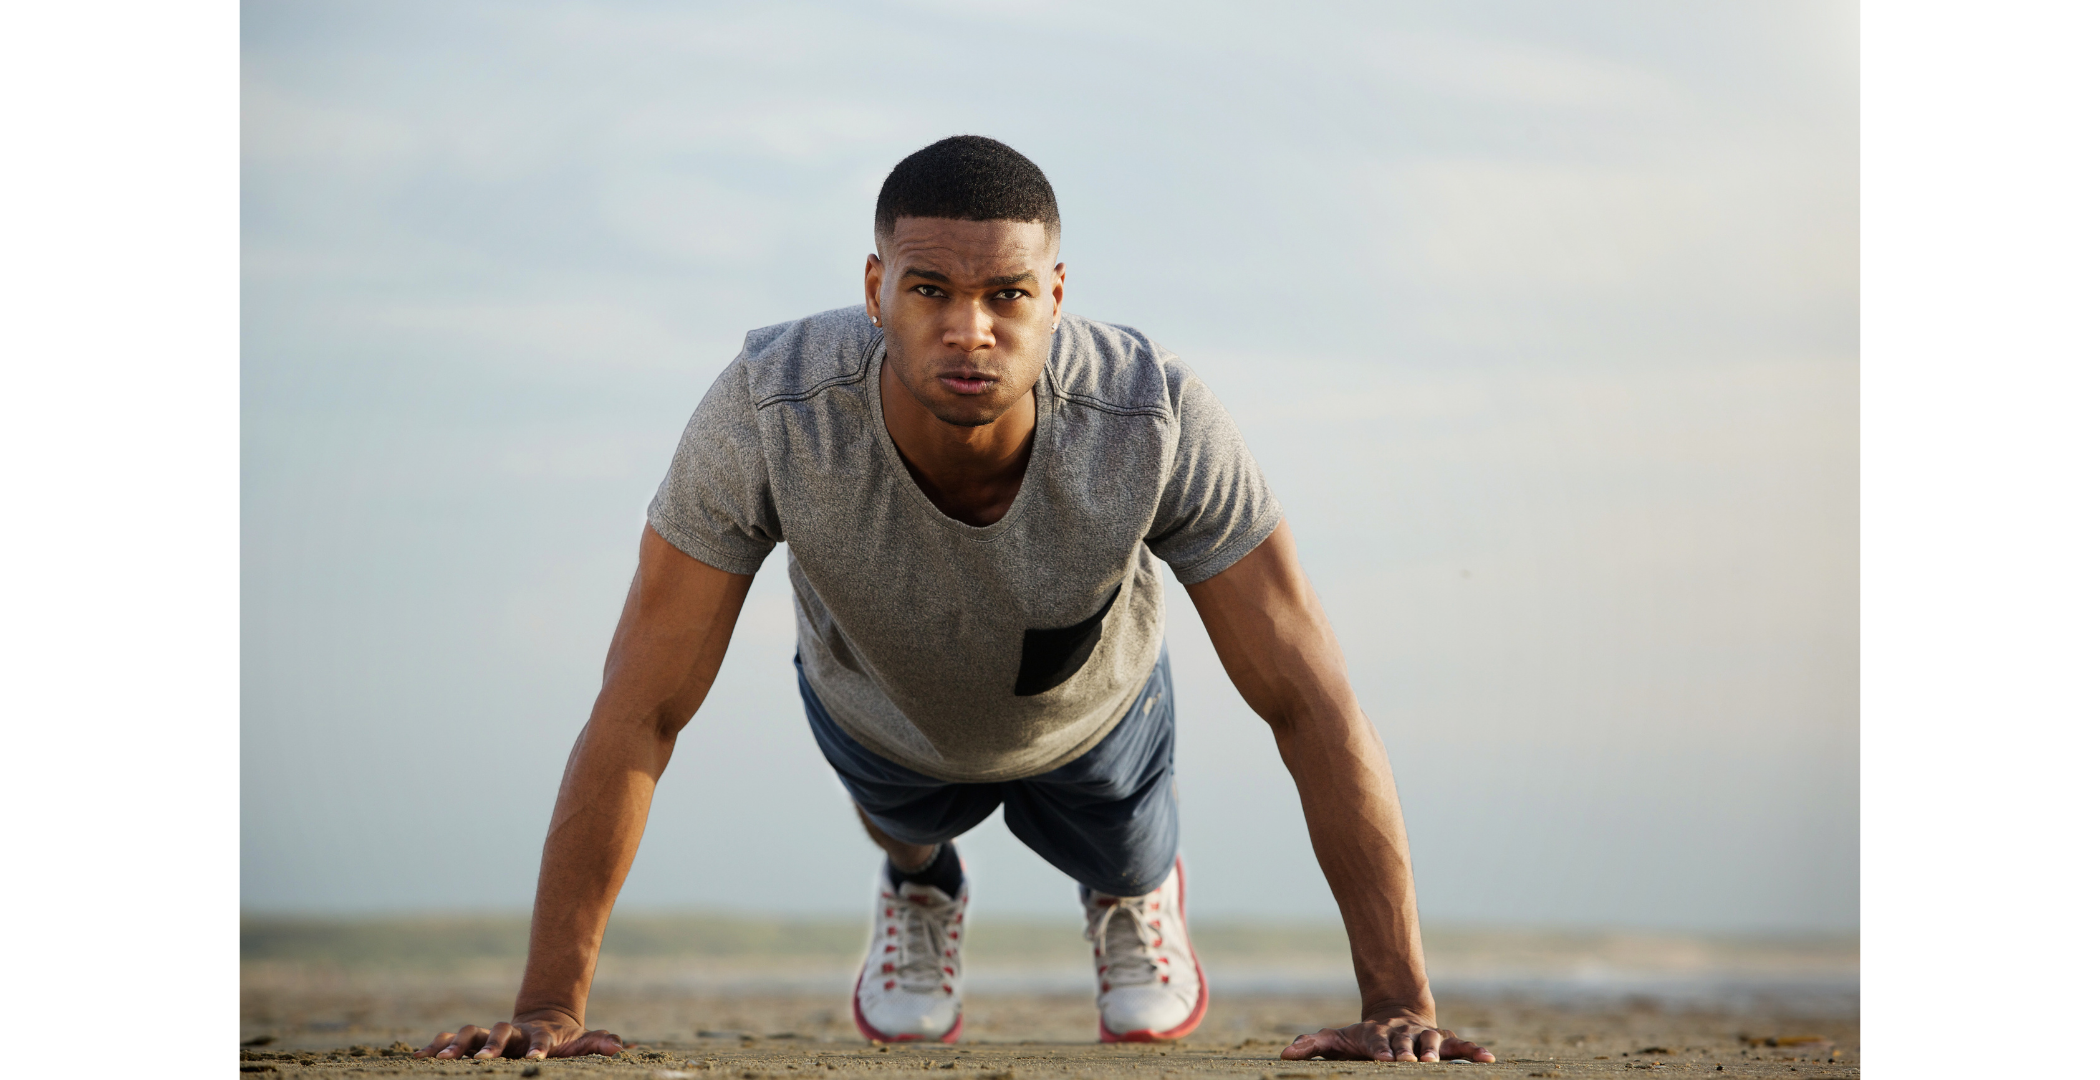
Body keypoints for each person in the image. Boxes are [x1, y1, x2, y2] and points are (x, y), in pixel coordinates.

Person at [416, 136, 1491, 1065]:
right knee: (904, 811)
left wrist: (1399, 1003)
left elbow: (1313, 701)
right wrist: (549, 1006)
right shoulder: (769, 411)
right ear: (877, 285)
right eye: (930, 289)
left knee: (1118, 845)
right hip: (878, 710)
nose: (969, 328)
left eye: (1007, 295)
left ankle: (1134, 895)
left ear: (1056, 297)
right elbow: (640, 704)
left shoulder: (1154, 417)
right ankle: (922, 888)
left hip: (1094, 718)